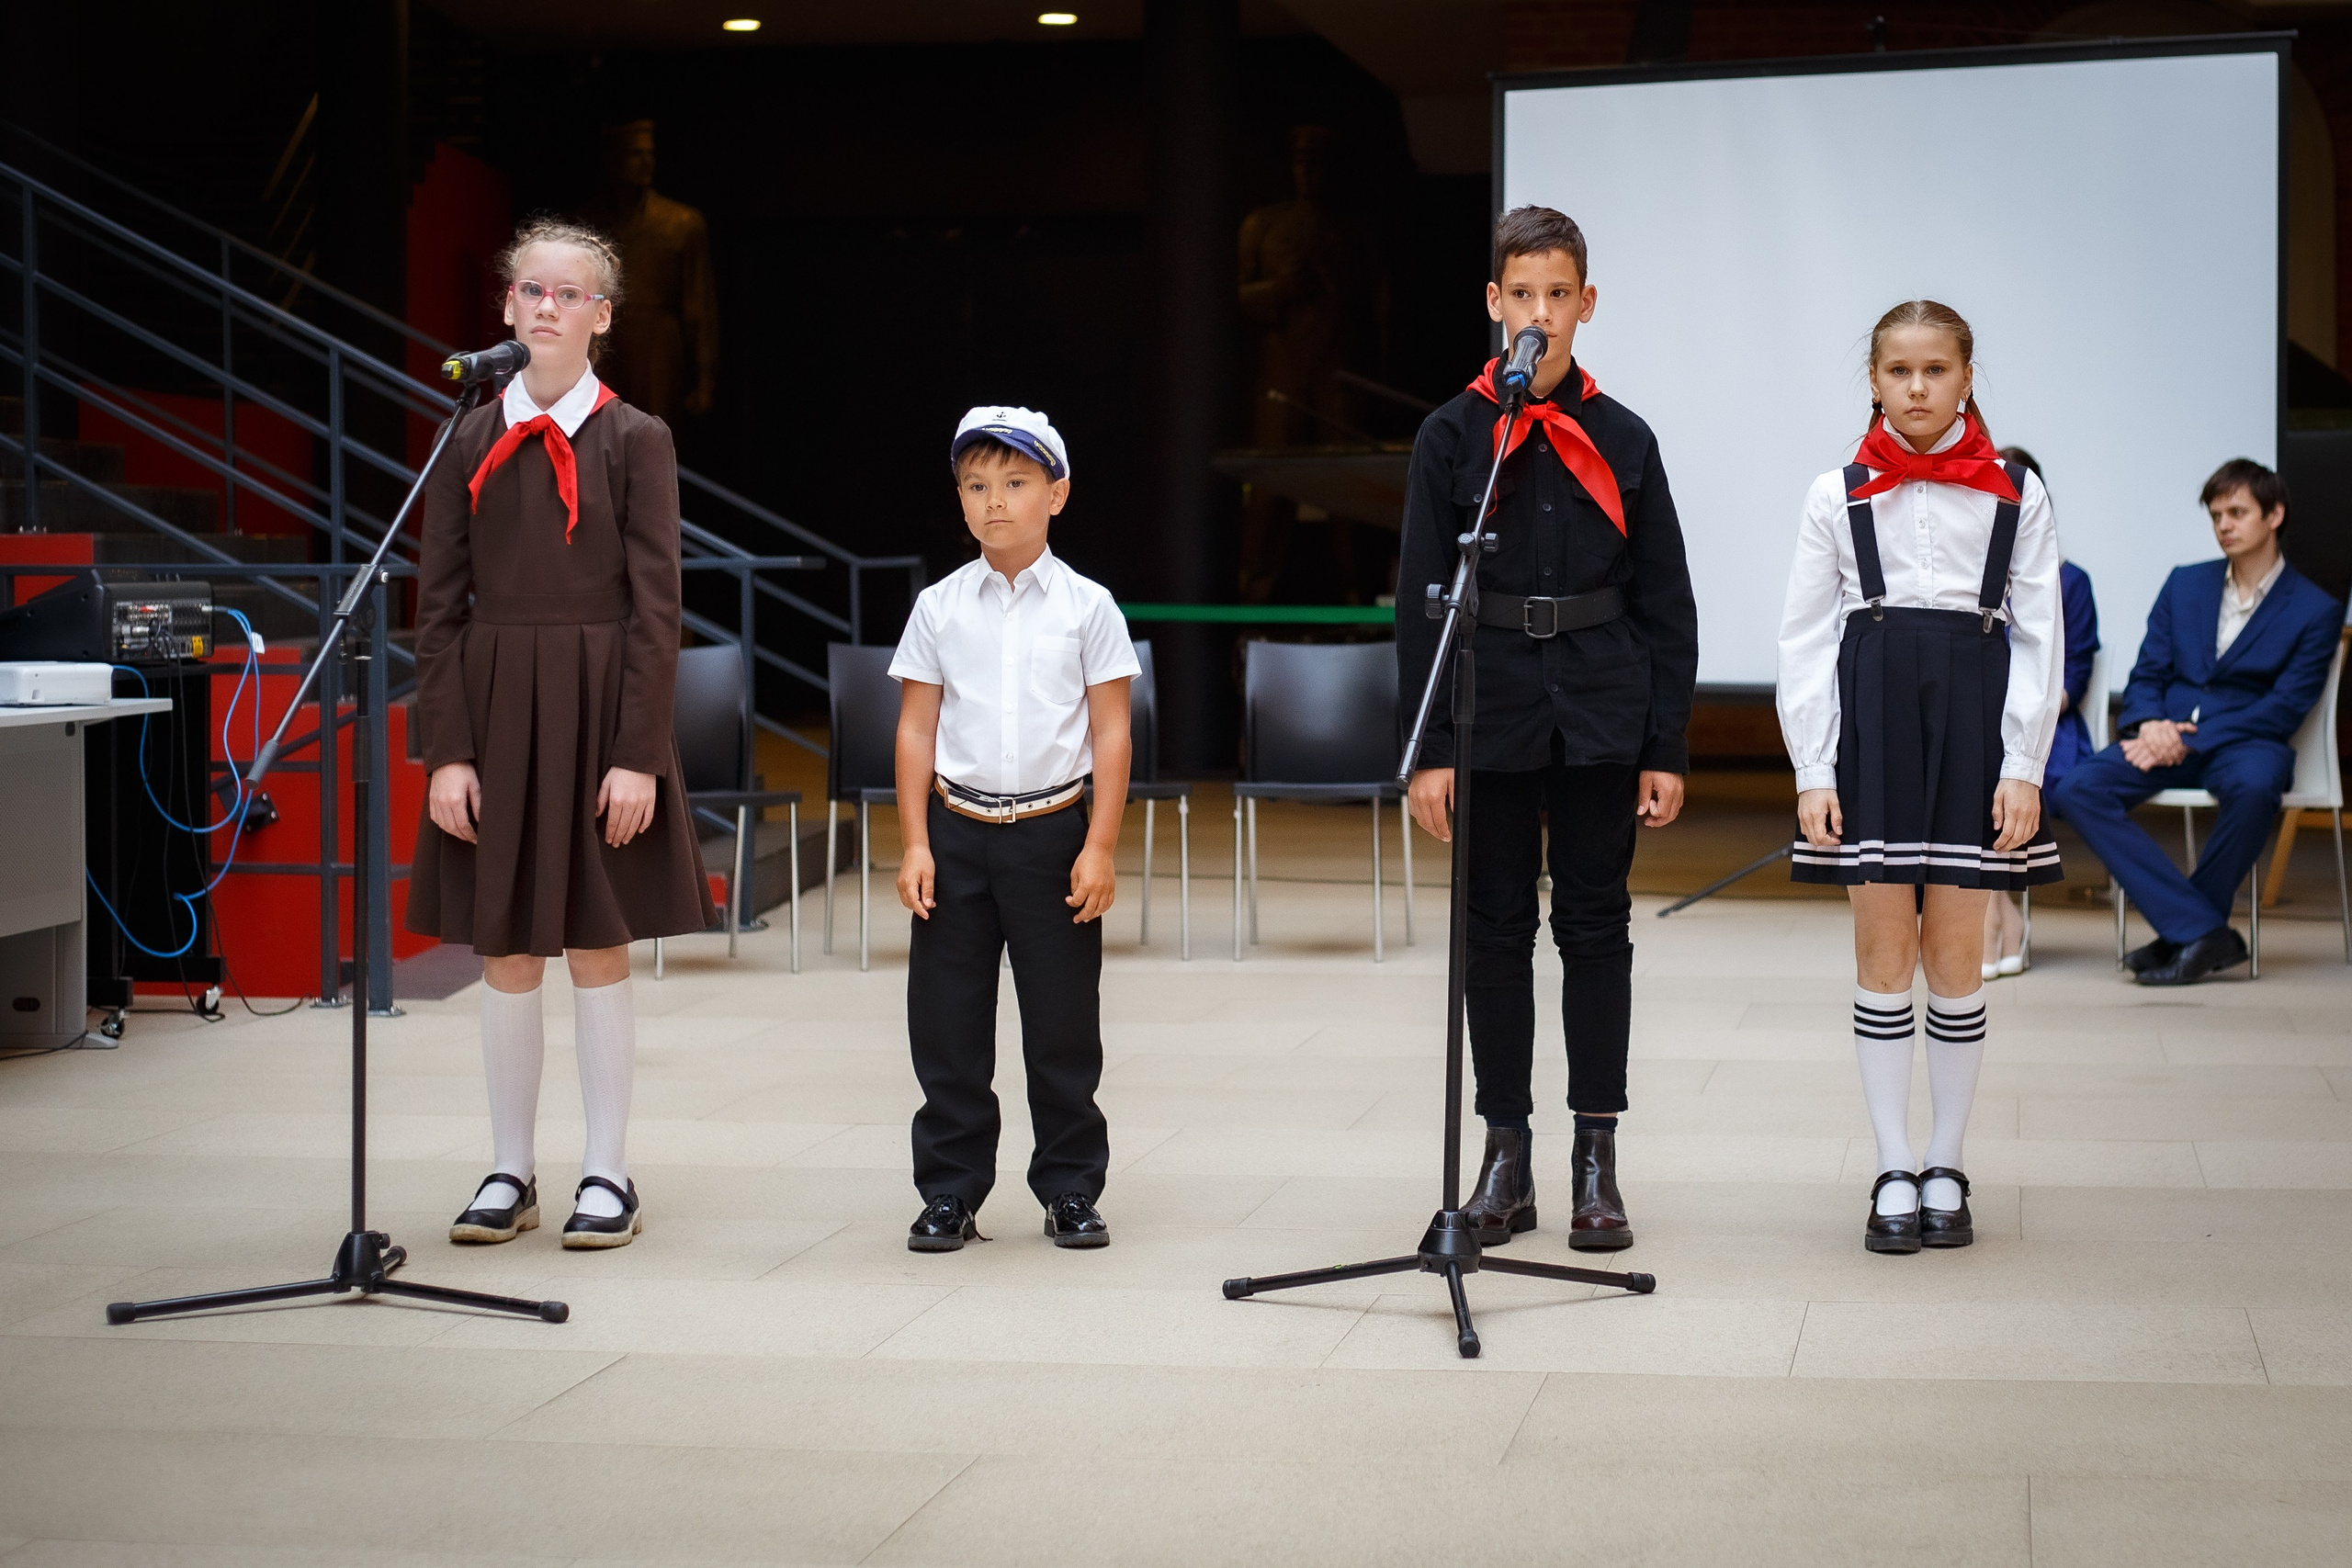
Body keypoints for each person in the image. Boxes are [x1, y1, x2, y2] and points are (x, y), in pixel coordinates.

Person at [1396, 206, 1700, 1252]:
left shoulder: (1623, 438)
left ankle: (1595, 1158)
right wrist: (1430, 748)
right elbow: (1418, 601)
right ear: (1493, 304)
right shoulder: (1452, 436)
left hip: (1601, 705)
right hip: (1487, 704)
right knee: (1491, 931)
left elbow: (1667, 601)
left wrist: (1664, 744)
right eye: (1519, 295)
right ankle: (1505, 1156)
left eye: (1557, 295)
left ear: (1586, 304)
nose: (1539, 314)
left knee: (1593, 927)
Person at [409, 217, 715, 1252]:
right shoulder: (464, 436)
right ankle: (507, 1167)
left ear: (602, 317)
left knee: (593, 942)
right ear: (505, 309)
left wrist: (636, 753)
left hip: (597, 706)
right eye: (530, 291)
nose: (546, 306)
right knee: (505, 948)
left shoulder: (637, 441)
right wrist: (446, 750)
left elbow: (655, 609)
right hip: (497, 704)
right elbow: (437, 604)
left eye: (568, 293)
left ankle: (606, 1172)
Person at [1779, 299, 2064, 1255]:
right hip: (1872, 724)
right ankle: (1891, 1163)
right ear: (1872, 379)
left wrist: (2023, 765)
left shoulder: (2014, 495)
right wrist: (1812, 767)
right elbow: (1806, 641)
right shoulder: (1837, 494)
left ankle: (1946, 1161)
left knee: (1955, 951)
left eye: (1934, 370)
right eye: (1897, 371)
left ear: (1965, 377)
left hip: (1975, 727)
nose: (1915, 388)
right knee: (1880, 951)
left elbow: (2038, 640)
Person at [889, 406, 1139, 1253]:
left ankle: (1070, 1185)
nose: (995, 501)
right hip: (957, 831)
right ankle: (950, 1191)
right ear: (960, 500)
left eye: (1017, 483)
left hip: (1051, 835)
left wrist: (1099, 843)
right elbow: (917, 730)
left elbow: (1111, 731)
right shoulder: (938, 606)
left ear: (1057, 494)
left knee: (1063, 1023)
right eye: (977, 485)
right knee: (949, 1024)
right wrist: (916, 840)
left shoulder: (1088, 605)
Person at [2052, 459, 2345, 986]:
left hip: (2247, 741)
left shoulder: (2314, 608)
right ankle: (2200, 929)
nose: (2224, 525)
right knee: (2078, 787)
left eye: (2237, 512)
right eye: (2216, 515)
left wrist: (2192, 739)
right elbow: (2148, 673)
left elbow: (2286, 705)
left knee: (2257, 787)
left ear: (2274, 515)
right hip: (2162, 736)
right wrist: (2146, 725)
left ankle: (2183, 933)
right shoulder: (2185, 584)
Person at [1981, 446, 2100, 978]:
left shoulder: (2068, 580)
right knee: (1972, 762)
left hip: (2048, 727)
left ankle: (1987, 924)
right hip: (1983, 721)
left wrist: (2021, 710)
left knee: (1994, 771)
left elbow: (2071, 678)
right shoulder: (1968, 579)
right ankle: (2002, 915)